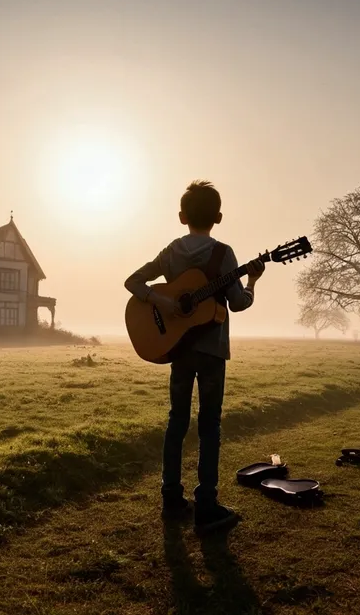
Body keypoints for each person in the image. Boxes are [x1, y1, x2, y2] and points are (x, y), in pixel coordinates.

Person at [124, 180, 265, 536]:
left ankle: (171, 498)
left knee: (177, 421)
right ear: (218, 217)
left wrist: (160, 302)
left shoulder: (172, 251)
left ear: (182, 216)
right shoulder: (224, 254)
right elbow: (237, 303)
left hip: (179, 352)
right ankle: (206, 507)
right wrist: (252, 282)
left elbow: (134, 282)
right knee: (210, 426)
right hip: (212, 351)